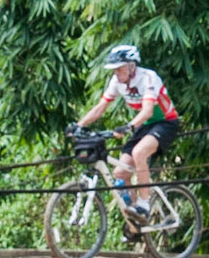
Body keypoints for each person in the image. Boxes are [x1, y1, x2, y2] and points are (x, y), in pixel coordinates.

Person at [75, 43, 181, 222]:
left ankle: (144, 203)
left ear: (132, 66)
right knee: (120, 173)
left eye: (119, 68)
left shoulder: (148, 77)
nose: (116, 73)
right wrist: (79, 125)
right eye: (114, 70)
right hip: (144, 125)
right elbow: (101, 107)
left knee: (139, 153)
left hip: (166, 122)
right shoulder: (117, 82)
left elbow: (147, 110)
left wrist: (129, 127)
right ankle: (136, 217)